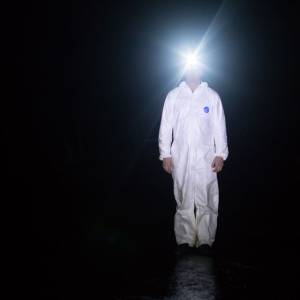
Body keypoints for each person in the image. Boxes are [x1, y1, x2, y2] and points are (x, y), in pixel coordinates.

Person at [158, 63, 228, 255]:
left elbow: (219, 127)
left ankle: (205, 240)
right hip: (180, 156)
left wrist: (220, 154)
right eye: (190, 67)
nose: (193, 72)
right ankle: (185, 240)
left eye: (197, 68)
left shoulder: (212, 96)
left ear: (202, 70)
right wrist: (165, 154)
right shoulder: (173, 96)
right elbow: (166, 126)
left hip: (206, 156)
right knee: (183, 197)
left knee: (207, 197)